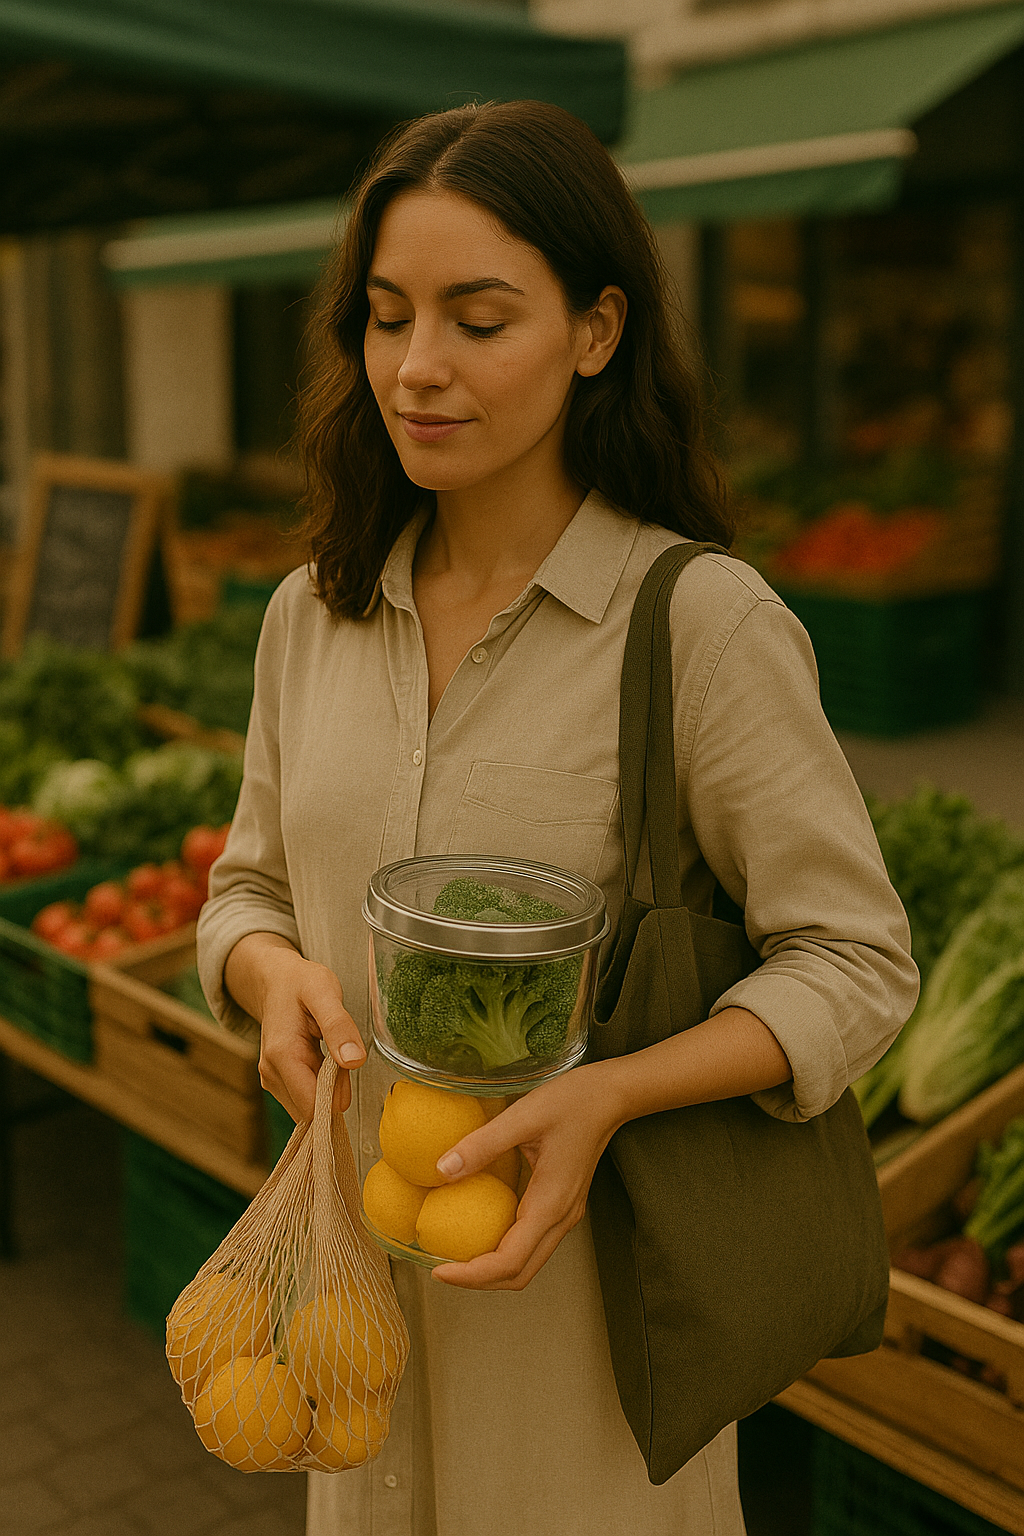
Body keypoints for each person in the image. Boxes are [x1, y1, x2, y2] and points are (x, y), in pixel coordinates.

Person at [197, 100, 918, 1536]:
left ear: (597, 331)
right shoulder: (311, 616)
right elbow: (246, 885)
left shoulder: (698, 627)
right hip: (346, 1324)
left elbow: (857, 963)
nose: (416, 368)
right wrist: (264, 976)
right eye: (387, 317)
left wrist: (608, 1092)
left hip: (587, 1352)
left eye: (480, 320)